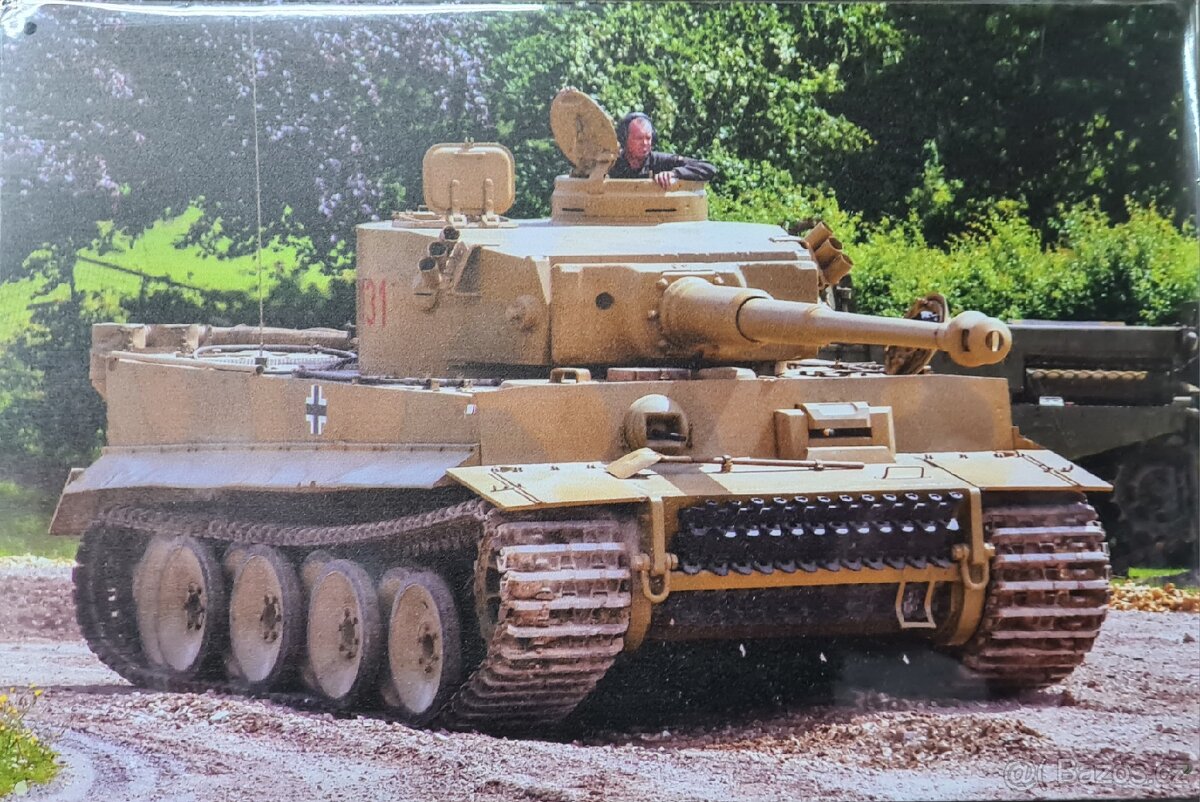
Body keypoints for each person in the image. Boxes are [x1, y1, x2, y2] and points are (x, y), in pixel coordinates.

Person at [607, 112, 717, 188]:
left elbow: (708, 168)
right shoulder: (611, 163)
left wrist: (674, 173)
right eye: (639, 138)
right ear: (625, 139)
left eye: (648, 138)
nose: (645, 143)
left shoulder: (658, 161)